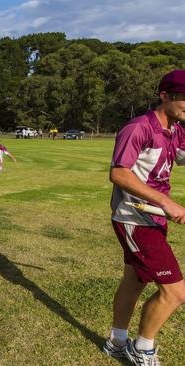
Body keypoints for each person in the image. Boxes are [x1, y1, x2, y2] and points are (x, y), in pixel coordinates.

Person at [102, 69, 185, 366]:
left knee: (134, 281)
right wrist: (167, 202)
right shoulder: (138, 128)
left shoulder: (176, 129)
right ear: (165, 96)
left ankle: (117, 341)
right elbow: (119, 173)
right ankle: (143, 348)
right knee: (176, 292)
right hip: (136, 217)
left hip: (154, 219)